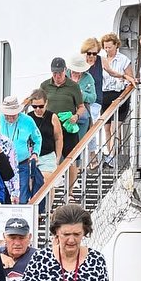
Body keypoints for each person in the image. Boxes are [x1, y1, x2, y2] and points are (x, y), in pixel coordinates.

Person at [40, 57, 85, 201]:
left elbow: (81, 106)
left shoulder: (73, 86)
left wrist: (76, 117)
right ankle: (50, 190)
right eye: (54, 73)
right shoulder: (45, 85)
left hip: (68, 127)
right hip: (51, 127)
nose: (57, 76)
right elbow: (40, 103)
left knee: (71, 159)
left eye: (59, 73)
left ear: (65, 70)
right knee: (51, 158)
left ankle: (70, 192)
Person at [0, 95, 42, 203]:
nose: (10, 118)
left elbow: (37, 138)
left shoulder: (28, 121)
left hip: (22, 164)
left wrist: (35, 153)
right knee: (4, 194)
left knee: (21, 196)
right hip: (3, 165)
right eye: (7, 115)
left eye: (13, 115)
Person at [100, 32, 135, 166]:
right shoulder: (103, 60)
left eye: (110, 47)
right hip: (105, 95)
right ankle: (110, 156)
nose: (108, 50)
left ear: (116, 45)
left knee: (115, 127)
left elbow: (129, 78)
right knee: (107, 128)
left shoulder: (124, 60)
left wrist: (123, 94)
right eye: (105, 47)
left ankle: (114, 155)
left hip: (119, 95)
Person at [27, 89, 62, 181]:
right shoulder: (28, 117)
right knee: (31, 184)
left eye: (41, 106)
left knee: (46, 182)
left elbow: (58, 138)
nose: (38, 109)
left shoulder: (52, 117)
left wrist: (58, 157)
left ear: (46, 103)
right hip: (31, 156)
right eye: (34, 106)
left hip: (48, 155)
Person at [80, 37, 104, 163]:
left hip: (95, 100)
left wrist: (125, 76)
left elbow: (111, 71)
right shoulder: (79, 62)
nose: (92, 56)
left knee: (92, 123)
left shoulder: (100, 61)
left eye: (95, 53)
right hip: (80, 101)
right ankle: (80, 157)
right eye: (89, 53)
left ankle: (92, 154)